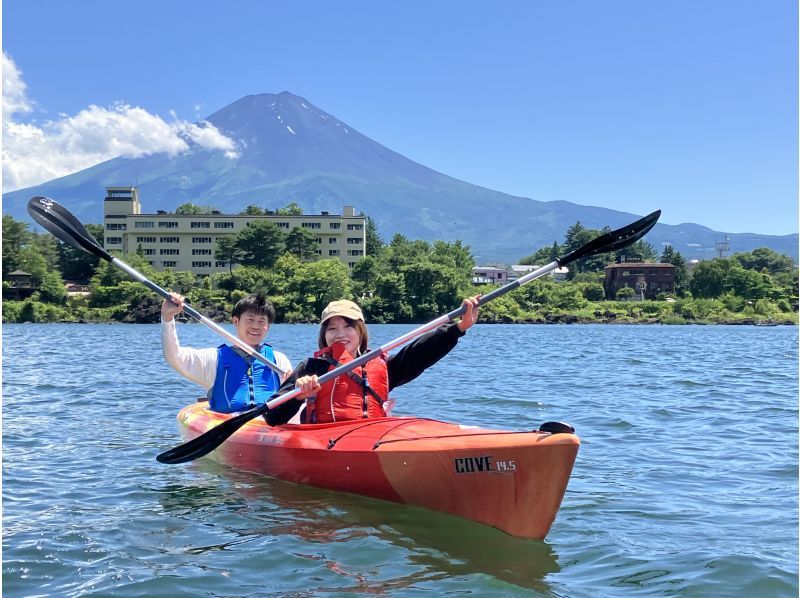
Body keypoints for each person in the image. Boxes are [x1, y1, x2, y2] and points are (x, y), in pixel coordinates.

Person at [266, 296, 480, 425]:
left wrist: (458, 328)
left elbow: (418, 354)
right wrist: (297, 395)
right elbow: (273, 417)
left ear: (360, 330)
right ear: (324, 335)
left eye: (348, 326)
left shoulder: (380, 365)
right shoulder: (312, 368)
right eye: (332, 328)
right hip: (323, 437)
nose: (340, 334)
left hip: (369, 435)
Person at [161, 291, 292, 413]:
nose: (256, 326)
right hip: (229, 423)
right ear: (236, 321)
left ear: (267, 327)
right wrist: (167, 318)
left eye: (261, 321)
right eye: (250, 320)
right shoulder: (213, 359)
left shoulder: (279, 360)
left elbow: (292, 399)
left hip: (269, 425)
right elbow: (174, 357)